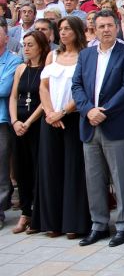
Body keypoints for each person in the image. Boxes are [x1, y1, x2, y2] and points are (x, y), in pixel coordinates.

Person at [71, 10, 124, 247]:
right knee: (94, 179)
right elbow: (76, 85)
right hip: (89, 124)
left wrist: (103, 112)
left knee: (120, 179)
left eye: (110, 25)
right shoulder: (85, 55)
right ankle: (99, 225)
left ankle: (123, 226)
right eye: (101, 26)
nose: (106, 30)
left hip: (116, 125)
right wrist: (88, 110)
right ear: (95, 29)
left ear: (117, 27)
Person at [37, 17, 90, 238]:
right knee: (51, 169)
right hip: (50, 120)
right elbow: (43, 86)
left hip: (73, 118)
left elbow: (84, 90)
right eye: (60, 29)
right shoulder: (53, 55)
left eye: (67, 29)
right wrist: (50, 113)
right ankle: (52, 222)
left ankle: (73, 223)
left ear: (78, 31)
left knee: (73, 170)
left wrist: (63, 112)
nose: (63, 32)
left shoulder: (86, 56)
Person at [8, 31, 48, 233]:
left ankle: (38, 213)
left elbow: (44, 100)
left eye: (30, 44)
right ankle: (25, 212)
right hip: (19, 126)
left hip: (37, 125)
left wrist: (29, 122)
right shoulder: (20, 68)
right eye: (24, 44)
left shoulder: (46, 68)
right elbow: (14, 96)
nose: (26, 48)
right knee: (21, 168)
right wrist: (15, 120)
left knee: (37, 167)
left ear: (40, 46)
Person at [0, 21, 21, 230]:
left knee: (1, 168)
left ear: (7, 38)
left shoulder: (13, 61)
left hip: (2, 120)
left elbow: (5, 88)